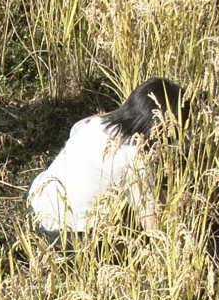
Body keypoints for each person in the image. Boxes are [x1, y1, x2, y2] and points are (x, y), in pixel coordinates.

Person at [27, 77, 186, 245]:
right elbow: (153, 227)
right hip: (63, 235)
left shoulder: (96, 122)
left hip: (36, 204)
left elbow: (76, 129)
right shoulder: (134, 159)